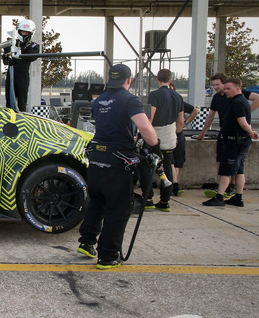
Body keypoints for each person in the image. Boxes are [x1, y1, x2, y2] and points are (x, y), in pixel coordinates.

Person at [77, 64, 159, 270]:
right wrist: (156, 145)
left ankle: (87, 243)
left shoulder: (100, 100)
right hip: (117, 161)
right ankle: (108, 256)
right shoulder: (130, 100)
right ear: (128, 80)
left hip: (96, 158)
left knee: (97, 201)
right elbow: (143, 125)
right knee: (118, 208)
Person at [197, 73, 259, 198]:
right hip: (224, 133)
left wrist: (245, 116)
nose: (216, 87)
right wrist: (203, 132)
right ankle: (222, 187)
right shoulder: (217, 98)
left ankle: (229, 189)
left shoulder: (238, 95)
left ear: (226, 84)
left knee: (234, 164)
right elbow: (210, 116)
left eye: (218, 84)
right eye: (213, 85)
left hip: (237, 135)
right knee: (222, 161)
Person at [143, 68, 183, 212]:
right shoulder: (178, 97)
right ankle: (165, 201)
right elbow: (180, 122)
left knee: (147, 168)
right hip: (170, 137)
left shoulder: (154, 95)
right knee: (167, 166)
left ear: (157, 79)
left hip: (155, 137)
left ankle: (148, 199)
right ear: (170, 80)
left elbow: (150, 118)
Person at [3, 17, 39, 112]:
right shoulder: (11, 44)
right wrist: (8, 55)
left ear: (31, 33)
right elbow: (5, 60)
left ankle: (22, 119)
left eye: (27, 32)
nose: (24, 34)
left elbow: (33, 56)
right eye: (23, 32)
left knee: (22, 102)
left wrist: (20, 54)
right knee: (9, 100)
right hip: (11, 73)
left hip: (23, 76)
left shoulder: (33, 46)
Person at [169, 83, 199, 196]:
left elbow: (195, 110)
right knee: (172, 160)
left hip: (176, 133)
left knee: (176, 160)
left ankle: (174, 183)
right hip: (174, 133)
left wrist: (186, 123)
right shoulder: (177, 101)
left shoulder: (178, 102)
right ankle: (175, 183)